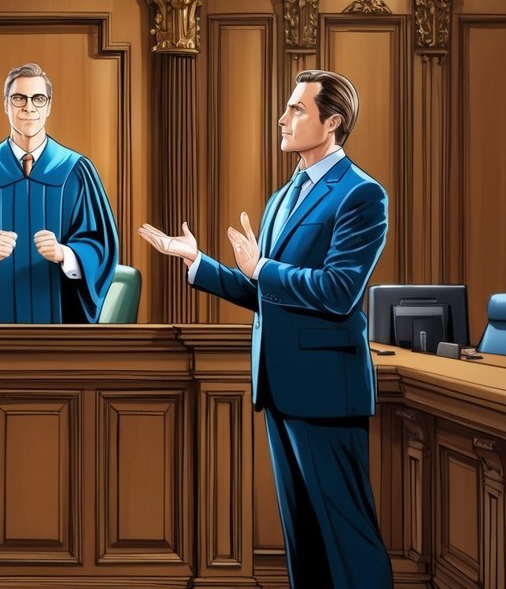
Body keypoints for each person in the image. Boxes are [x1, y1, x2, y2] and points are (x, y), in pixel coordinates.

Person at [139, 69, 392, 588]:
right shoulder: (283, 197)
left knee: (348, 538)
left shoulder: (362, 195)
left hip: (326, 391)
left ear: (333, 122)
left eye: (298, 109)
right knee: (303, 539)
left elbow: (339, 290)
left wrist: (262, 269)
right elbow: (265, 294)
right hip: (278, 386)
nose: (283, 117)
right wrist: (198, 262)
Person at [0, 63, 118, 323]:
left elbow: (100, 246)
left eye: (38, 98)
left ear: (49, 106)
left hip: (61, 322)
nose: (29, 107)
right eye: (19, 98)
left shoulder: (77, 171)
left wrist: (65, 254)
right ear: (6, 105)